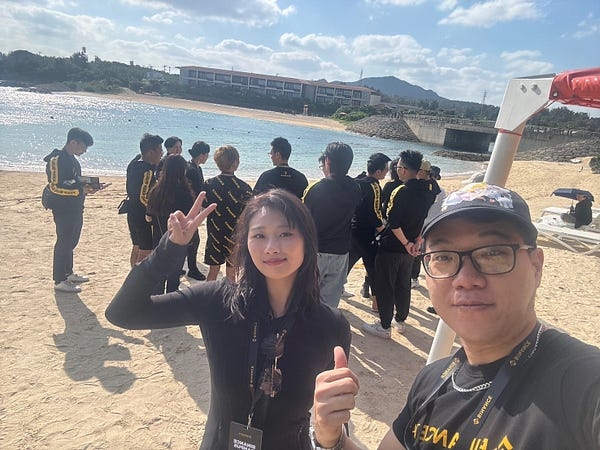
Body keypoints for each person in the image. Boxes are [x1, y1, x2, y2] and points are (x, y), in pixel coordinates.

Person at [312, 182, 600, 450]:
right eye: (444, 256)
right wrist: (331, 437)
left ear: (536, 266)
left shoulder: (584, 385)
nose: (466, 279)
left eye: (492, 253)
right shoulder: (434, 380)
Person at [105, 189, 351, 450]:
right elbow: (123, 313)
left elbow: (335, 416)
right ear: (246, 243)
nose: (271, 247)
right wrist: (170, 249)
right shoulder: (217, 301)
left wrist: (329, 436)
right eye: (259, 235)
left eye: (285, 234)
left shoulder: (330, 325)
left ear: (307, 241)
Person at [363, 150, 431, 338]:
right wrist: (416, 240)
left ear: (404, 170)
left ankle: (384, 326)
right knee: (403, 284)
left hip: (393, 246)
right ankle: (400, 320)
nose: (397, 169)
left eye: (399, 166)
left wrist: (407, 243)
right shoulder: (426, 191)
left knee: (385, 285)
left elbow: (393, 222)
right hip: (410, 248)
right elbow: (424, 219)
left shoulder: (401, 191)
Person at [303, 142, 361, 308]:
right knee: (329, 304)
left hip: (317, 251)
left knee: (306, 299)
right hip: (341, 252)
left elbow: (303, 220)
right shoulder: (355, 187)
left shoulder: (316, 188)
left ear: (327, 161)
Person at [43, 127, 101, 293]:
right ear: (73, 142)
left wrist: (91, 187)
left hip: (76, 207)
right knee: (64, 241)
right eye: (83, 147)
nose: (84, 151)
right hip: (62, 208)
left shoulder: (73, 160)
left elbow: (75, 181)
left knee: (71, 241)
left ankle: (68, 273)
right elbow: (55, 187)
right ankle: (59, 279)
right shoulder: (56, 159)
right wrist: (80, 191)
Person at [146, 154, 195, 293]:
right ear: (182, 171)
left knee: (159, 276)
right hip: (178, 239)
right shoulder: (185, 193)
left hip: (159, 238)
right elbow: (189, 217)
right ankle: (170, 301)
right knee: (174, 277)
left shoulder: (156, 190)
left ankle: (157, 301)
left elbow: (148, 217)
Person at [348, 153, 390, 310]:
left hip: (352, 230)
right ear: (378, 172)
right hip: (366, 234)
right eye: (385, 169)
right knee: (373, 269)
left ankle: (333, 293)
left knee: (345, 266)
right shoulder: (374, 186)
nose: (387, 172)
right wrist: (383, 230)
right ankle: (376, 304)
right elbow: (375, 212)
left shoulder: (357, 181)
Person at [203, 145, 253, 281]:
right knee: (231, 274)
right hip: (235, 235)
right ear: (236, 163)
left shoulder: (209, 184)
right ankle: (228, 296)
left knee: (212, 272)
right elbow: (249, 214)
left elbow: (203, 208)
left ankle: (209, 294)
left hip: (214, 233)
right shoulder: (244, 188)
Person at [126, 133, 163, 268]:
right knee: (145, 250)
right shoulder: (147, 170)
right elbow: (142, 197)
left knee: (137, 247)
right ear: (151, 152)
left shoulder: (134, 163)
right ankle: (138, 278)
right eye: (160, 150)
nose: (161, 154)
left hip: (131, 211)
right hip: (142, 215)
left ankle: (133, 275)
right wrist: (153, 211)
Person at [410, 160, 440, 289]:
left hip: (421, 222)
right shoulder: (433, 184)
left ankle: (414, 277)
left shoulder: (420, 185)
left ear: (422, 172)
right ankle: (415, 276)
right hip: (427, 221)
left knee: (417, 250)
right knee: (420, 249)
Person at [185, 140, 211, 281]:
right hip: (189, 209)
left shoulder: (196, 168)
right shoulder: (192, 170)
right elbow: (195, 191)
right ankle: (192, 269)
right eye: (206, 155)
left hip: (193, 209)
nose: (207, 158)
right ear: (201, 155)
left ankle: (185, 267)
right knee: (194, 240)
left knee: (191, 239)